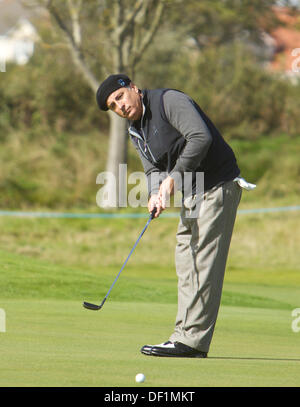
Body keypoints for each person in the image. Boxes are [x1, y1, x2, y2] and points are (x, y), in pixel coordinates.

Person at [96, 74, 255, 358]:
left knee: (203, 262)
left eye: (120, 97)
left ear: (133, 88)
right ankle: (182, 334)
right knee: (186, 260)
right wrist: (155, 193)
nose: (120, 106)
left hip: (217, 184)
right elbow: (152, 170)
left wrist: (174, 179)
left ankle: (192, 342)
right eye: (113, 106)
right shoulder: (135, 130)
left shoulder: (170, 101)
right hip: (193, 192)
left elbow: (200, 137)